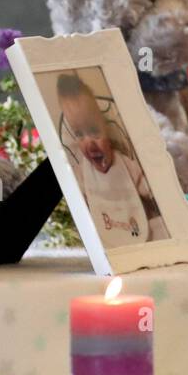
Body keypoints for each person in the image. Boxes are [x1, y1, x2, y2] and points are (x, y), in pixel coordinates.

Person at [55, 72, 168, 246]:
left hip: (142, 230)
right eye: (79, 134)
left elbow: (153, 193)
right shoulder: (82, 174)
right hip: (106, 239)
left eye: (94, 131)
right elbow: (81, 201)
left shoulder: (127, 165)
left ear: (107, 129)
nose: (89, 143)